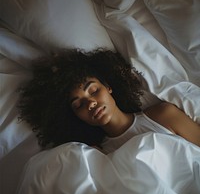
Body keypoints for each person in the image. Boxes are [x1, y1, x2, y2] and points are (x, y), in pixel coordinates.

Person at [18, 48, 200, 153]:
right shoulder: (98, 154)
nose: (90, 103)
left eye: (93, 90)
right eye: (78, 104)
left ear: (108, 86)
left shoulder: (163, 115)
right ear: (75, 116)